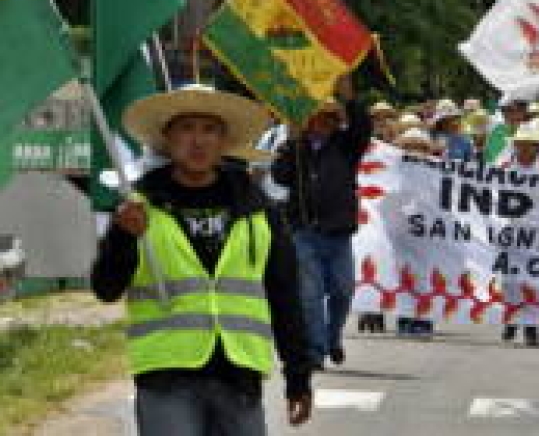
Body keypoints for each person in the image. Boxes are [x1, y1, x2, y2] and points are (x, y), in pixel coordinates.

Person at [91, 85, 313, 434]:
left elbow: (285, 294)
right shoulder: (139, 207)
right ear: (167, 137)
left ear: (224, 141)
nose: (198, 141)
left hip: (239, 374)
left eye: (209, 129)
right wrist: (121, 238)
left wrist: (298, 375)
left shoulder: (258, 210)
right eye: (187, 128)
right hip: (167, 376)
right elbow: (105, 288)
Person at [270, 74, 371, 368]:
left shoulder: (346, 146)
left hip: (338, 234)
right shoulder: (294, 147)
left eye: (328, 118)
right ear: (309, 120)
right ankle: (315, 351)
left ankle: (332, 336)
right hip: (303, 231)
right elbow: (280, 175)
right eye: (317, 118)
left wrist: (349, 97)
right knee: (310, 294)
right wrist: (291, 139)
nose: (322, 123)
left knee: (343, 291)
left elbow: (362, 127)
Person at [500, 124, 539, 347]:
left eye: (528, 145)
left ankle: (531, 327)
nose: (523, 149)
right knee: (511, 280)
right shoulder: (503, 167)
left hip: (537, 234)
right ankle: (512, 318)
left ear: (537, 147)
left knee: (534, 279)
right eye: (520, 144)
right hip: (510, 231)